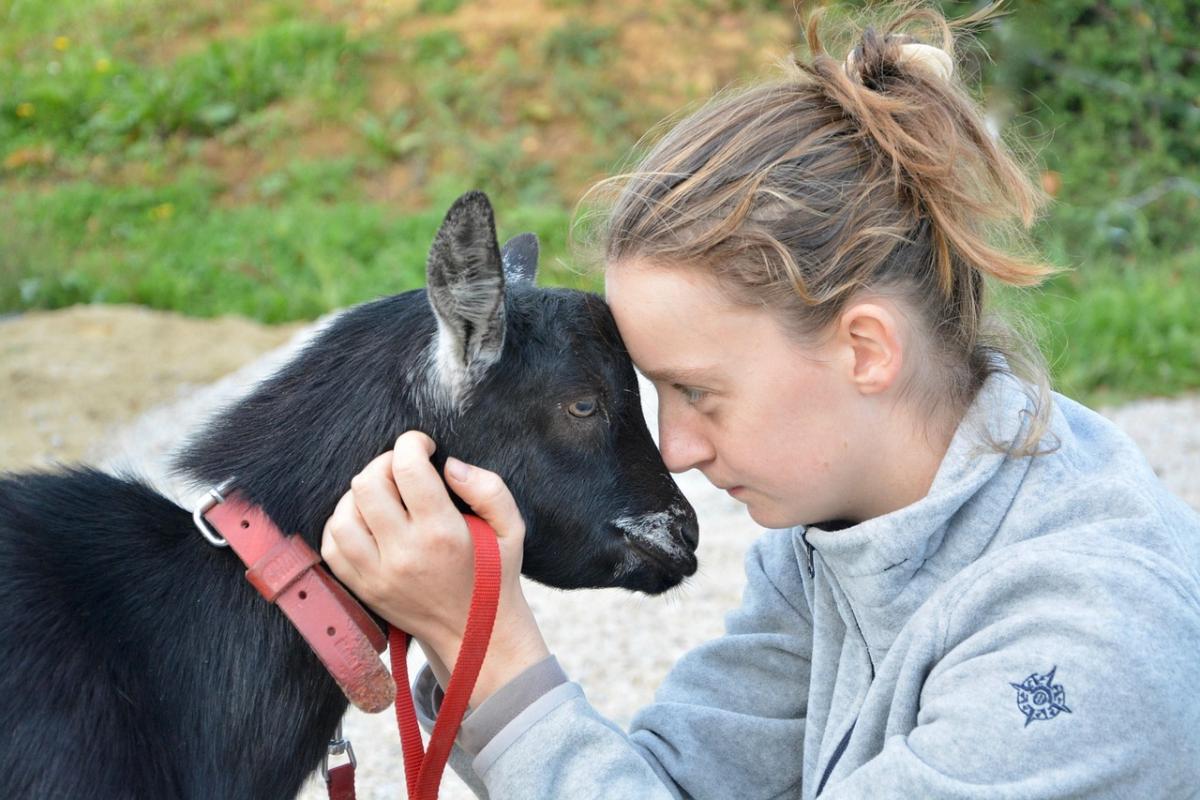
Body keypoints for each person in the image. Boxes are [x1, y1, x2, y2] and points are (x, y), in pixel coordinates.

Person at [319, 3, 1200, 797]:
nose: (674, 449)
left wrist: (498, 651)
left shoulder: (1086, 647)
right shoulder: (845, 524)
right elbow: (673, 783)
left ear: (866, 350)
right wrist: (459, 628)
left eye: (696, 391)